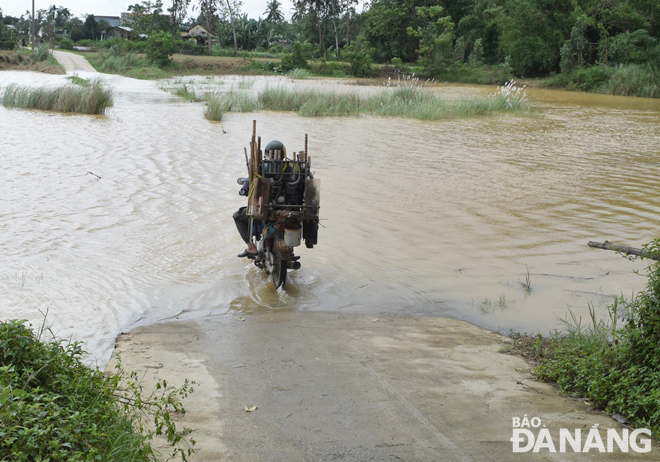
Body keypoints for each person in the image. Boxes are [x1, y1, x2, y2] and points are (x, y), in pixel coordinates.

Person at [234, 177, 258, 258]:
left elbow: (243, 191)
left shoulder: (257, 172)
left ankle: (251, 248)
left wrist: (243, 190)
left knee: (237, 216)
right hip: (289, 211)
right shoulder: (292, 173)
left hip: (261, 211)